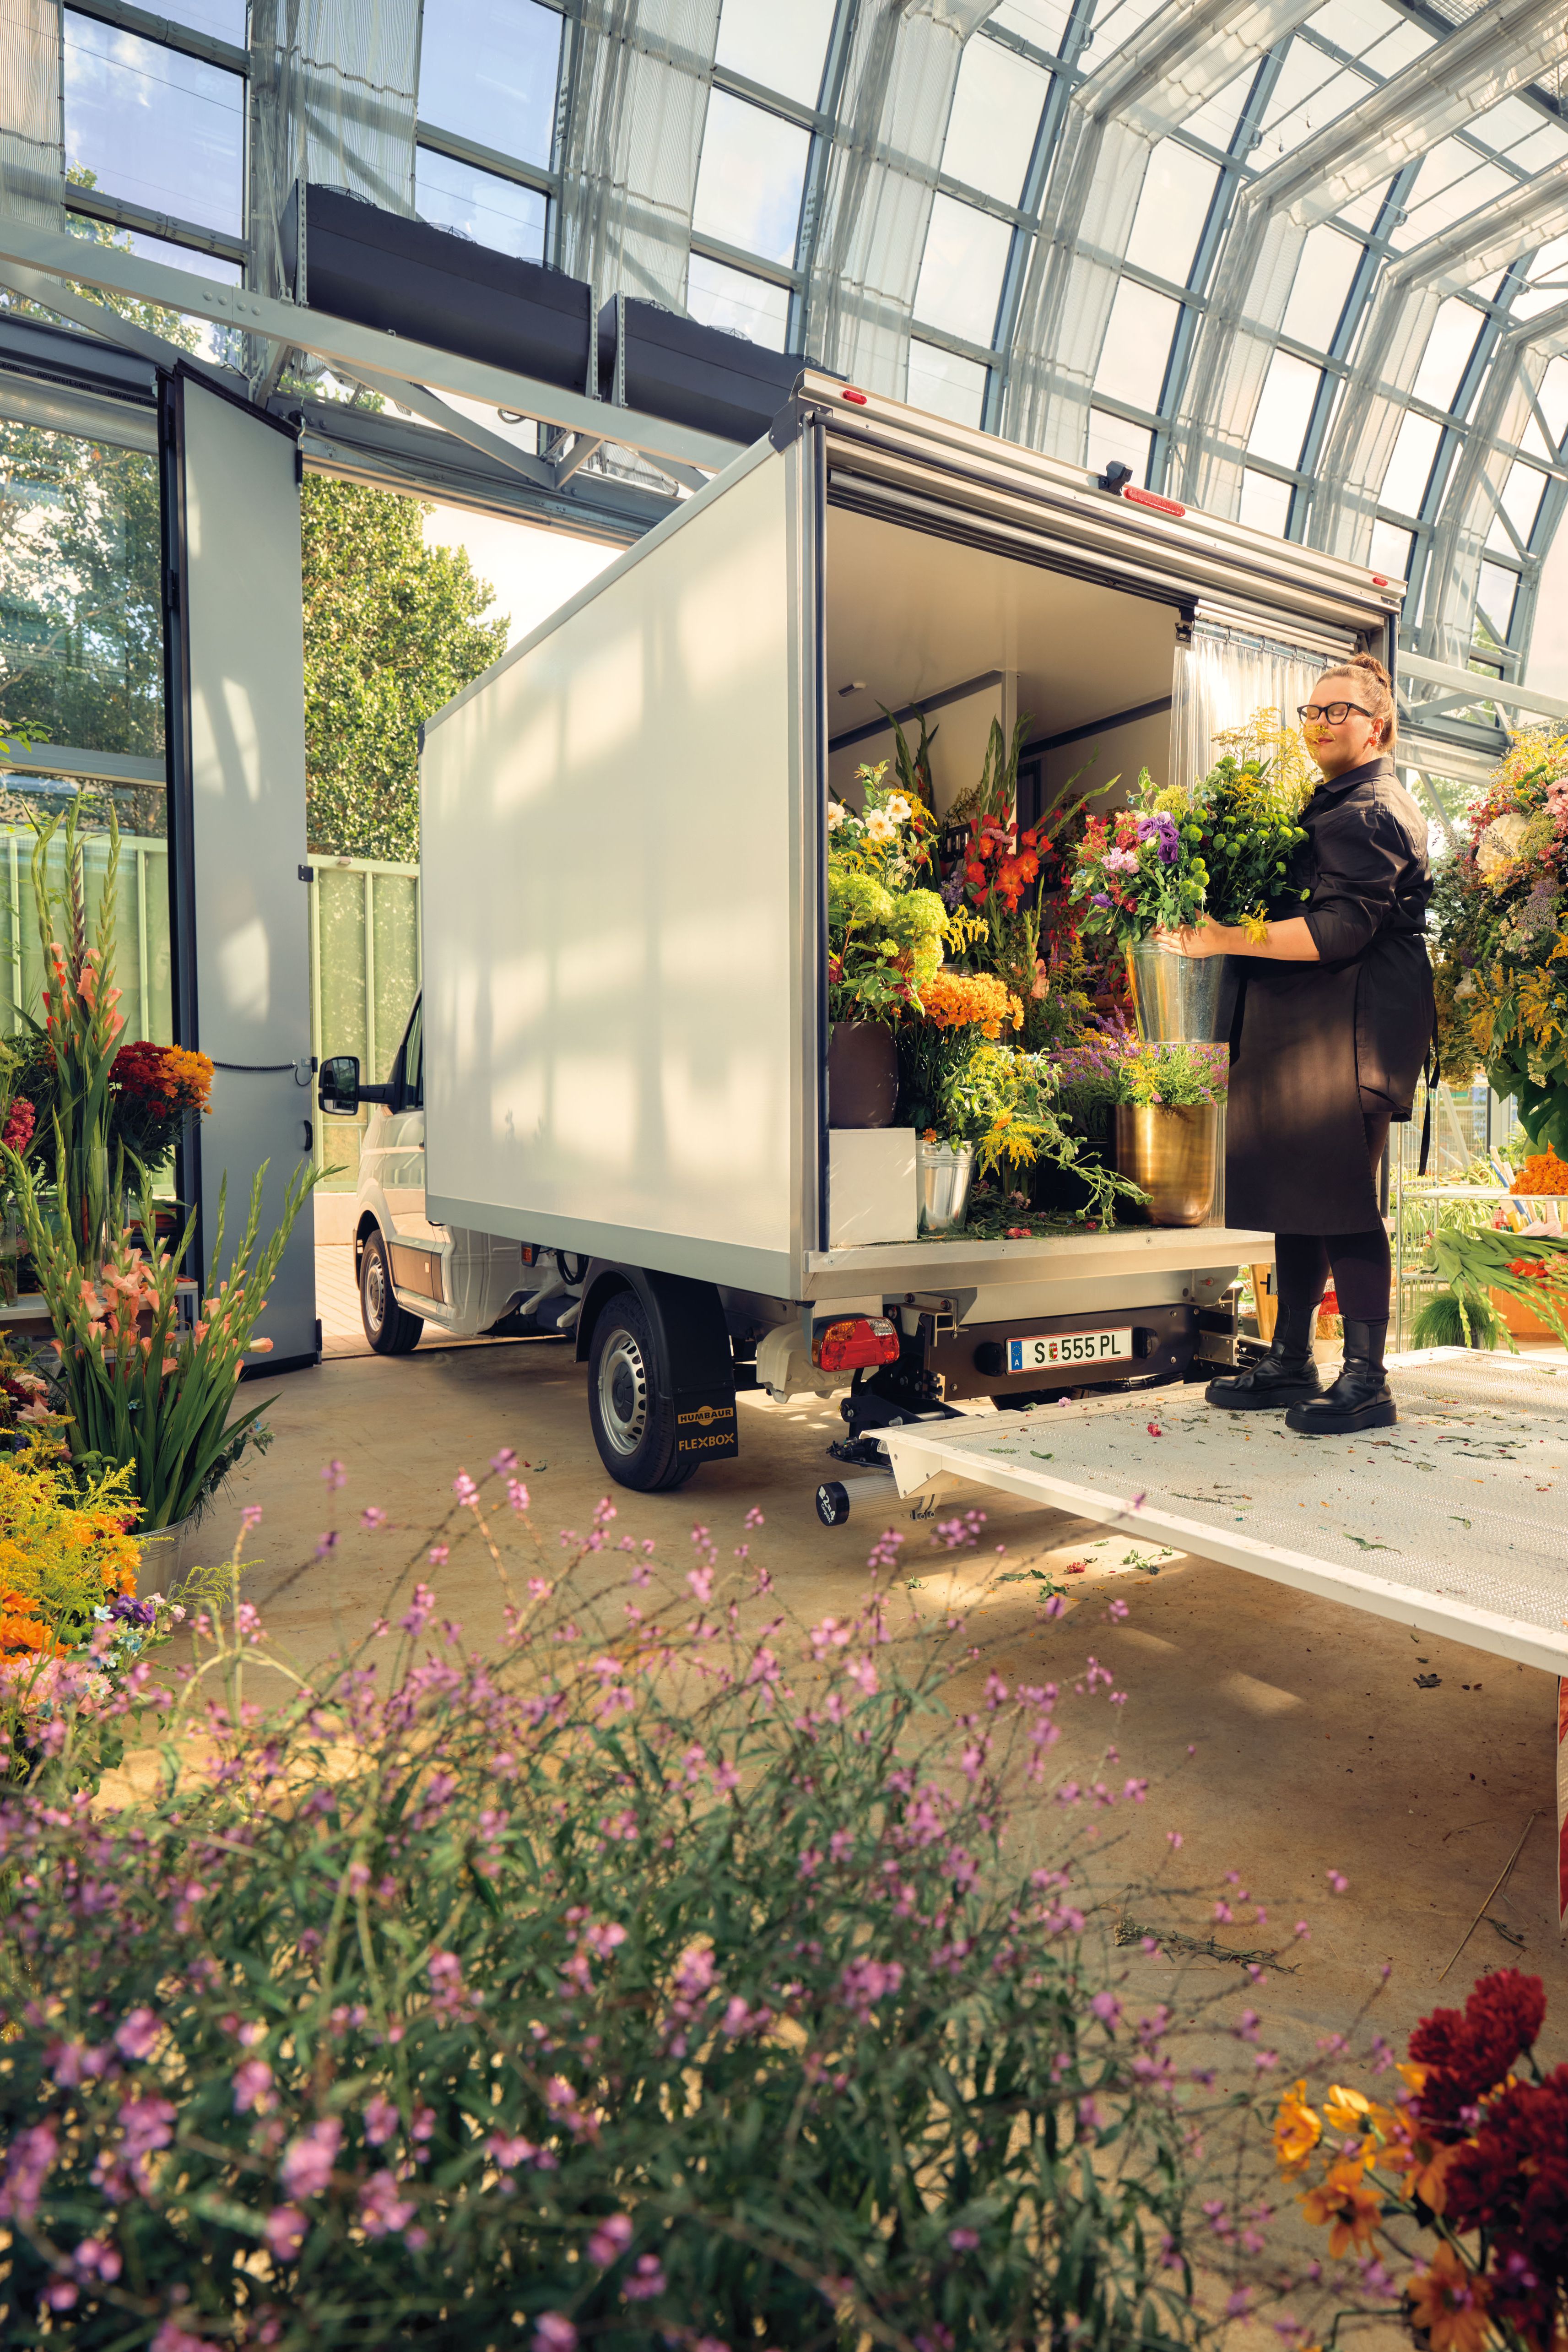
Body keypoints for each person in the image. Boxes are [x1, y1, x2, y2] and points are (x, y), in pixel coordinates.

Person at [1154, 652, 1433, 1435]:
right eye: (1309, 712)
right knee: (1299, 1194)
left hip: (1348, 1033)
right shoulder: (1334, 801)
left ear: (1377, 725)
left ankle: (1367, 1380)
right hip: (1312, 1032)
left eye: (1335, 711)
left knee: (1341, 1200)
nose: (1316, 724)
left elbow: (1342, 928)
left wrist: (1219, 936)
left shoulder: (1370, 809)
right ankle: (1288, 1359)